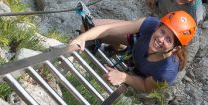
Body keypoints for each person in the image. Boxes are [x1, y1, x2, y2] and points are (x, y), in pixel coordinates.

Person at [68, 11, 196, 93]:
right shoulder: (150, 24)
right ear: (157, 27)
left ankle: (120, 51)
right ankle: (117, 48)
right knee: (89, 26)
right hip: (136, 45)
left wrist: (124, 77)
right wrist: (82, 38)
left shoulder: (166, 71)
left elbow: (146, 87)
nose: (161, 39)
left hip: (141, 72)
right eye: (162, 31)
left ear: (175, 49)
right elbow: (109, 29)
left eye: (169, 39)